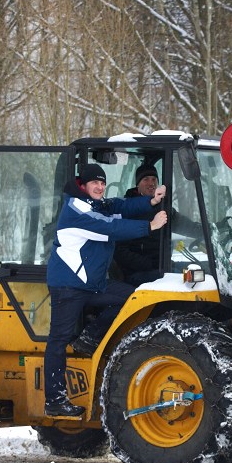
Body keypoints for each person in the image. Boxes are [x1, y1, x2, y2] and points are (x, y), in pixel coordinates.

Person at [44, 163, 167, 417]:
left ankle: (90, 337)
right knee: (58, 340)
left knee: (131, 299)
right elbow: (110, 226)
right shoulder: (77, 209)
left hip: (94, 284)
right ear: (84, 185)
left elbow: (120, 206)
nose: (100, 187)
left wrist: (150, 201)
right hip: (69, 285)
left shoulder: (95, 203)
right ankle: (54, 399)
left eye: (102, 182)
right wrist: (149, 226)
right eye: (95, 183)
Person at [113, 164, 202, 286]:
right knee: (189, 280)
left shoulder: (162, 207)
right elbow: (120, 251)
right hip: (137, 272)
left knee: (201, 273)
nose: (151, 183)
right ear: (137, 184)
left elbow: (185, 225)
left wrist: (207, 231)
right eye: (146, 180)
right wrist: (149, 264)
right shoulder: (128, 209)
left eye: (154, 179)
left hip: (161, 266)